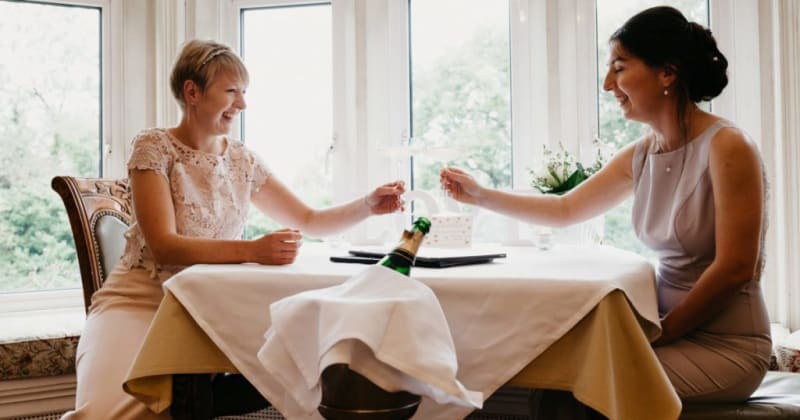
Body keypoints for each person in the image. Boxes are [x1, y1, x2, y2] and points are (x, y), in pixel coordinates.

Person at [441, 6, 770, 403]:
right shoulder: (643, 153)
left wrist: (662, 333)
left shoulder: (729, 146)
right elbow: (565, 210)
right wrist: (480, 195)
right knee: (554, 386)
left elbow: (737, 268)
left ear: (667, 73)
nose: (607, 84)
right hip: (670, 333)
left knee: (577, 390)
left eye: (619, 67)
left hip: (725, 347)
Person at [62, 39, 406, 419]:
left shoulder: (242, 159)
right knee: (105, 414)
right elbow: (164, 247)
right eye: (231, 91)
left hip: (211, 308)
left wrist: (368, 206)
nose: (241, 104)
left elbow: (310, 221)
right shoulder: (154, 147)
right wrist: (253, 251)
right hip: (140, 302)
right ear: (192, 92)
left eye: (243, 93)